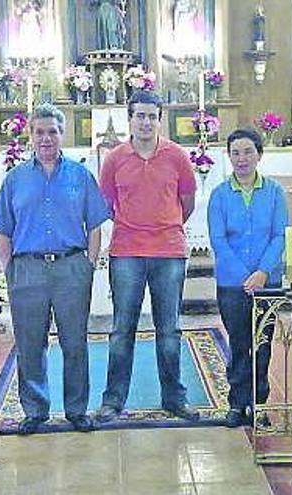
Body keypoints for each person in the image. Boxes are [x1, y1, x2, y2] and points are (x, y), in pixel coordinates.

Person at [0, 103, 110, 435]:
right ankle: (35, 409)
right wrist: (10, 269)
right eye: (39, 132)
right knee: (30, 343)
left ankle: (76, 409)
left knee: (75, 342)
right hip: (27, 270)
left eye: (52, 132)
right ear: (30, 135)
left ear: (62, 134)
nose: (46, 138)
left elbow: (96, 224)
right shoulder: (15, 180)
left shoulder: (80, 176)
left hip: (72, 268)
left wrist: (88, 264)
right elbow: (3, 230)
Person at [96, 90, 200, 423]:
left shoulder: (177, 156)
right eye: (139, 115)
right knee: (121, 329)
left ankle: (174, 398)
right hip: (126, 251)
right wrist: (136, 226)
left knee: (168, 329)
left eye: (151, 116)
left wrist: (164, 226)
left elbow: (187, 201)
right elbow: (107, 203)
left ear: (160, 119)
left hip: (168, 252)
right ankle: (113, 401)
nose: (145, 122)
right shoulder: (114, 158)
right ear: (130, 119)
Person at [207, 129, 288, 427]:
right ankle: (237, 403)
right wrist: (245, 276)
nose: (241, 158)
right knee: (240, 343)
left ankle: (259, 403)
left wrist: (263, 272)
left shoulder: (275, 192)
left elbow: (280, 234)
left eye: (247, 152)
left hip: (267, 282)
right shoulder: (219, 195)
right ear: (229, 157)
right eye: (236, 153)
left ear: (259, 155)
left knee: (263, 344)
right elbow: (219, 240)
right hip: (232, 284)